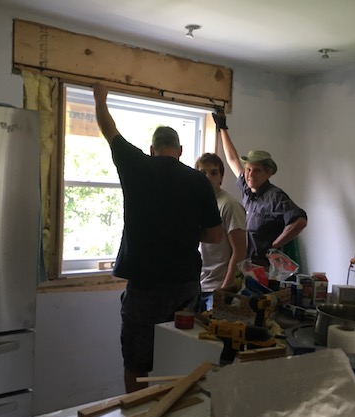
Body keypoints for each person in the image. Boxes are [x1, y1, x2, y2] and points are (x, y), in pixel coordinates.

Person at [93, 83, 223, 393]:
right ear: (179, 152)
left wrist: (100, 98)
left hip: (144, 289)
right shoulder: (199, 181)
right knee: (180, 358)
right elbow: (216, 236)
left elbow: (108, 129)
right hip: (185, 289)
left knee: (137, 362)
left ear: (152, 149)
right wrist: (189, 231)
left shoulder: (136, 165)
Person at [212, 109, 307, 268]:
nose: (250, 174)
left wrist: (275, 245)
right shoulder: (247, 190)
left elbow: (300, 221)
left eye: (257, 170)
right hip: (246, 264)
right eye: (248, 169)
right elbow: (232, 158)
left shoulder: (275, 196)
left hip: (265, 267)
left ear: (268, 173)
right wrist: (222, 127)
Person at [194, 153, 247, 310]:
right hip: (197, 287)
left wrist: (224, 291)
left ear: (221, 177)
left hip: (218, 288)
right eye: (203, 173)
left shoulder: (229, 205)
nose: (208, 177)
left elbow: (240, 252)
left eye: (214, 172)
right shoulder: (196, 204)